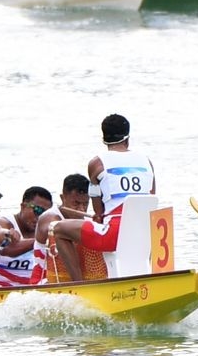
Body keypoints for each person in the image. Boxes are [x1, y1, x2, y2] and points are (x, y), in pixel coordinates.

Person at [52, 114, 158, 283]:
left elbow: (98, 210)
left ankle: (79, 285)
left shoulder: (97, 163)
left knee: (58, 229)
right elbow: (151, 198)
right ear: (128, 138)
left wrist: (99, 216)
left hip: (114, 235)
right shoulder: (147, 162)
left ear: (104, 139)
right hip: (147, 234)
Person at [0, 186, 51, 286]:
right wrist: (41, 241)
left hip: (31, 289)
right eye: (37, 210)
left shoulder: (44, 228)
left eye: (45, 214)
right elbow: (8, 249)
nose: (39, 218)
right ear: (23, 206)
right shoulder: (2, 224)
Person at [39, 174, 95, 283]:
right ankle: (80, 286)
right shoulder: (50, 217)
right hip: (44, 280)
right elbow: (54, 229)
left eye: (85, 204)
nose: (82, 209)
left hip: (75, 279)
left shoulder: (87, 221)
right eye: (76, 203)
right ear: (62, 197)